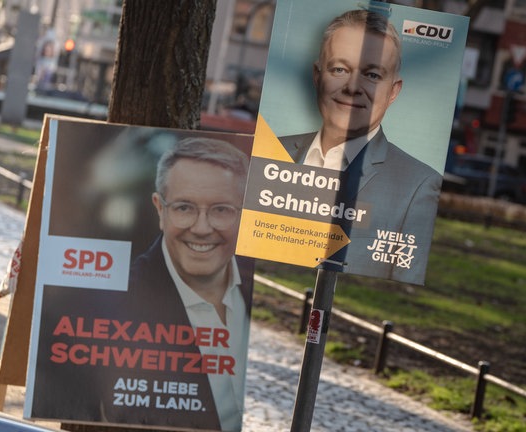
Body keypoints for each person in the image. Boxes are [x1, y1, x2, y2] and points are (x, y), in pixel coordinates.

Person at [35, 137, 253, 432]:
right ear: (160, 209)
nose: (202, 228)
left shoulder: (249, 290)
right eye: (184, 207)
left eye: (222, 210)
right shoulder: (106, 307)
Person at [279, 9, 442, 284]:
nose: (353, 86)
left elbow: (399, 289)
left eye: (373, 75)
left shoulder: (418, 185)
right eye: (339, 69)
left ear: (393, 91)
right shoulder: (273, 152)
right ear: (318, 77)